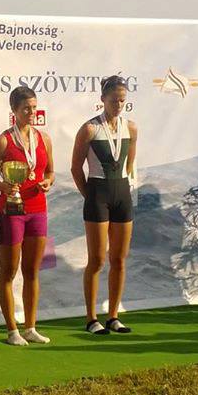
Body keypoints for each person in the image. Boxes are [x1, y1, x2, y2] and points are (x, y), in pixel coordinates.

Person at [0, 86, 54, 346]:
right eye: (26, 108)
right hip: (11, 212)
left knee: (32, 271)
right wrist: (5, 187)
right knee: (9, 271)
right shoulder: (3, 141)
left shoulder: (44, 138)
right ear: (14, 110)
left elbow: (50, 172)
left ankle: (30, 327)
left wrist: (48, 182)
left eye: (34, 107)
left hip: (38, 210)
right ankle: (12, 330)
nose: (31, 112)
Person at [71, 75, 138, 334]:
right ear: (102, 100)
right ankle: (91, 318)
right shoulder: (89, 129)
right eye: (113, 100)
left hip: (122, 194)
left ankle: (113, 316)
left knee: (119, 259)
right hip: (97, 195)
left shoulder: (131, 128)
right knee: (97, 260)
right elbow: (76, 168)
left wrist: (124, 183)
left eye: (122, 100)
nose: (118, 105)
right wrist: (89, 195)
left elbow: (129, 163)